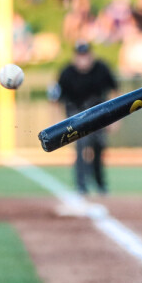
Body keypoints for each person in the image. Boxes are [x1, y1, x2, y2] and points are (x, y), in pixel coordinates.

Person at [52, 43, 119, 196]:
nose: (83, 59)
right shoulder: (66, 72)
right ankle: (81, 186)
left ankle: (100, 184)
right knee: (81, 146)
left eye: (85, 55)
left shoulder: (101, 69)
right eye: (80, 56)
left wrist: (115, 119)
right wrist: (57, 123)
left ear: (91, 56)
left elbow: (115, 91)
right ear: (75, 57)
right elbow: (55, 99)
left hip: (98, 113)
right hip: (76, 113)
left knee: (98, 147)